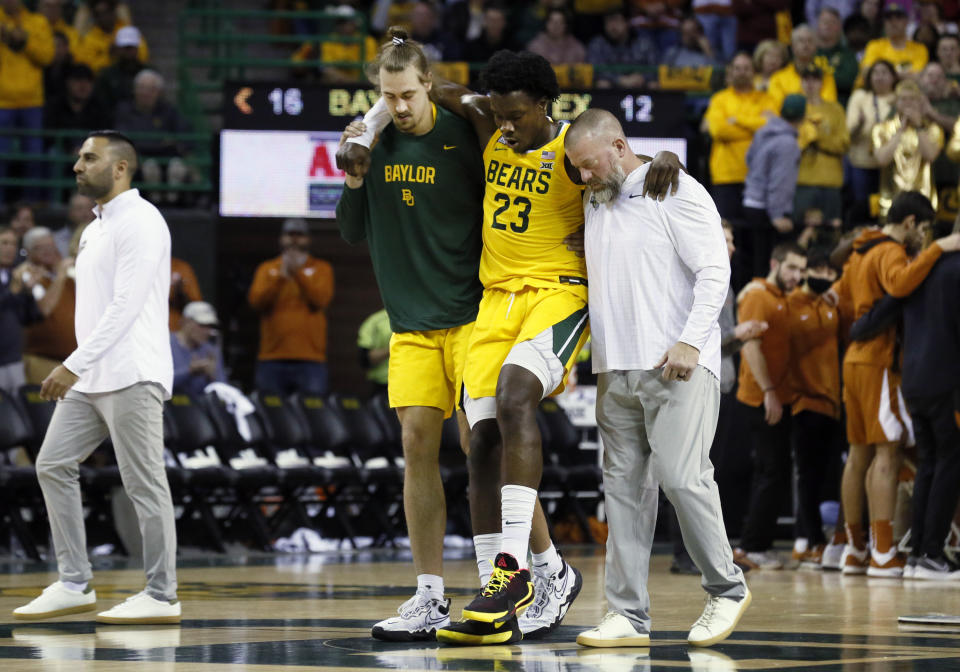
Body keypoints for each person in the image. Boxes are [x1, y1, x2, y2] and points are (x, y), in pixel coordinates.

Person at [340, 48, 680, 644]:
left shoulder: (569, 148)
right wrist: (368, 127)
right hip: (496, 301)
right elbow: (423, 86)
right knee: (481, 444)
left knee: (516, 396)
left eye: (517, 115)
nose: (505, 125)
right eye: (498, 114)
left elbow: (626, 159)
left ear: (544, 106)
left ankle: (513, 570)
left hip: (556, 294)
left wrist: (666, 158)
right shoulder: (484, 119)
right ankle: (495, 591)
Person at [565, 108, 751, 649]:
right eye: (575, 169)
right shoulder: (596, 199)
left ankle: (727, 588)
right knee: (622, 492)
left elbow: (716, 268)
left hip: (677, 365)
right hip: (614, 368)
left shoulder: (676, 188)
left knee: (682, 477)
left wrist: (693, 339)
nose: (582, 177)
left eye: (588, 165)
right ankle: (627, 615)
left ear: (619, 145)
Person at [12, 130, 180, 624]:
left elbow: (126, 307)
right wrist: (81, 367)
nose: (77, 166)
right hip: (92, 376)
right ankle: (74, 582)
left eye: (89, 158)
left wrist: (72, 363)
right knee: (52, 464)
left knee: (144, 483)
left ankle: (162, 594)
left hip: (132, 372)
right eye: (79, 157)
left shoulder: (143, 221)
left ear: (121, 167)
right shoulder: (94, 228)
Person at [830, 191, 960, 577]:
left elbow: (850, 302)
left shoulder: (860, 251)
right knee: (887, 454)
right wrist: (938, 249)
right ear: (909, 224)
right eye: (922, 230)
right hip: (878, 361)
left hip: (856, 356)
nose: (923, 239)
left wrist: (859, 326)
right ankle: (884, 552)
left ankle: (855, 548)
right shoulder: (892, 252)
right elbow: (902, 286)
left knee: (860, 456)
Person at [733, 242, 807, 571]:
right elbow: (750, 348)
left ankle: (758, 545)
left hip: (780, 395)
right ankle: (750, 547)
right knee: (769, 471)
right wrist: (768, 391)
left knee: (774, 472)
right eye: (791, 268)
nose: (797, 276)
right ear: (775, 263)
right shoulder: (757, 295)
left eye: (801, 270)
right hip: (759, 398)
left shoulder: (784, 299)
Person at [785, 247, 844, 568]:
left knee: (825, 478)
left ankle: (815, 540)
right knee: (806, 477)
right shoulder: (792, 304)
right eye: (817, 271)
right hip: (803, 402)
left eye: (829, 273)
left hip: (833, 404)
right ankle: (808, 540)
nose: (823, 278)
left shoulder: (832, 306)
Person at [248, 217, 333, 397]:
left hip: (310, 358)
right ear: (281, 239)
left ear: (308, 239)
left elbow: (321, 301)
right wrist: (280, 278)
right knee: (272, 415)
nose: (294, 239)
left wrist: (297, 274)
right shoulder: (267, 268)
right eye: (289, 234)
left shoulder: (321, 268)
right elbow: (256, 302)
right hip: (272, 357)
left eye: (299, 235)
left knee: (312, 415)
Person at [704, 53, 776, 234]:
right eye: (737, 68)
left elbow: (771, 127)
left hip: (758, 176)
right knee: (725, 233)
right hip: (725, 176)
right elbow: (718, 131)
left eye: (746, 68)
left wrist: (736, 120)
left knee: (756, 235)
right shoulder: (719, 99)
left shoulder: (767, 99)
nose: (742, 72)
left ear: (754, 72)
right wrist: (754, 125)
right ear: (730, 71)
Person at [740, 94, 805, 288]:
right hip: (766, 210)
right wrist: (777, 214)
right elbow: (780, 182)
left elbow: (748, 159)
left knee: (751, 265)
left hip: (750, 202)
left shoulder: (763, 131)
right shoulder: (788, 143)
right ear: (803, 118)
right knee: (765, 269)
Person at [0, 0, 54, 207]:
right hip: (2, 101)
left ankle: (31, 203)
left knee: (33, 156)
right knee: (1, 156)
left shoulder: (37, 22)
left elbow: (46, 57)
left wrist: (23, 42)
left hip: (32, 101)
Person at [114, 69, 192, 203]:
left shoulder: (169, 111)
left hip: (166, 159)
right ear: (135, 90)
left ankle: (173, 202)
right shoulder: (124, 111)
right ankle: (153, 201)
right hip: (138, 160)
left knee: (178, 166)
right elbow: (121, 138)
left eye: (151, 89)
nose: (146, 93)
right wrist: (159, 142)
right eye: (142, 88)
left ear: (159, 92)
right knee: (149, 167)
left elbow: (185, 136)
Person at [872, 79, 944, 217]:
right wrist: (900, 131)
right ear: (896, 102)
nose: (908, 103)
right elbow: (882, 159)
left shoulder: (932, 129)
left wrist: (918, 126)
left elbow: (930, 155)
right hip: (890, 203)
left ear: (920, 102)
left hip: (924, 201)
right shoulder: (882, 129)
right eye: (903, 99)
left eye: (913, 99)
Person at [15, 226, 76, 384]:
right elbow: (43, 309)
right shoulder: (25, 275)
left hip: (72, 363)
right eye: (40, 247)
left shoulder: (69, 276)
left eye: (50, 245)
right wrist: (61, 276)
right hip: (42, 360)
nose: (48, 251)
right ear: (28, 251)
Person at [795, 66, 850, 231]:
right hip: (802, 180)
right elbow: (791, 143)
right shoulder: (795, 107)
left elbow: (844, 144)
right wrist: (806, 137)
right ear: (801, 81)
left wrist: (819, 138)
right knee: (801, 232)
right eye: (806, 79)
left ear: (822, 83)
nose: (810, 83)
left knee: (831, 232)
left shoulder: (835, 109)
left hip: (830, 181)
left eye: (815, 79)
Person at [845, 59, 898, 218]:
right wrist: (859, 124)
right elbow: (848, 133)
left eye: (884, 73)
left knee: (888, 208)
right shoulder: (860, 96)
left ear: (893, 77)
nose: (879, 77)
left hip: (890, 164)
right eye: (875, 73)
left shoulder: (899, 98)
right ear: (869, 78)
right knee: (863, 208)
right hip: (862, 162)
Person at [0, 225, 42, 395]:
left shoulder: (14, 276)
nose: (10, 248)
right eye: (4, 243)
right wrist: (14, 291)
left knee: (16, 417)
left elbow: (31, 318)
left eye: (13, 244)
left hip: (14, 360)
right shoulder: (13, 282)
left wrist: (29, 292)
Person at [768, 24, 840, 108]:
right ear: (793, 47)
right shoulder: (778, 78)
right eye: (801, 41)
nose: (806, 45)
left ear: (816, 47)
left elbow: (828, 107)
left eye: (810, 41)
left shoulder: (826, 77)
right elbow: (777, 108)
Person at [586, 9, 657, 90]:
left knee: (653, 84)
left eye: (616, 21)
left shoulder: (644, 43)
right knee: (602, 83)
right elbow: (594, 70)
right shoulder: (597, 43)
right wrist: (620, 80)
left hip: (639, 85)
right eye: (608, 22)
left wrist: (642, 77)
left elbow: (655, 69)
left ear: (627, 22)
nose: (612, 26)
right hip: (613, 86)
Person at [74, 0, 148, 73]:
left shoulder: (127, 30)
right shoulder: (89, 40)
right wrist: (109, 56)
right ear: (95, 17)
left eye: (108, 12)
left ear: (114, 12)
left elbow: (143, 55)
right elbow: (88, 67)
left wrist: (124, 54)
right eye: (99, 14)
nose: (104, 17)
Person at [170, 300, 224, 396]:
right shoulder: (167, 344)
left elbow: (224, 389)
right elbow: (158, 382)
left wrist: (211, 376)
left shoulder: (211, 350)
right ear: (185, 322)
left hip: (200, 408)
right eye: (202, 325)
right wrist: (189, 372)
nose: (207, 331)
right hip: (169, 407)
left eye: (210, 326)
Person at [861, 2, 929, 76]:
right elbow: (867, 72)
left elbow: (918, 76)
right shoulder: (874, 45)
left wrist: (884, 74)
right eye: (888, 18)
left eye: (898, 17)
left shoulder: (919, 48)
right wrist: (903, 74)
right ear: (884, 23)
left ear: (906, 21)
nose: (893, 22)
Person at [92, 25, 146, 111]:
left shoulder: (148, 74)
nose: (128, 51)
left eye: (131, 47)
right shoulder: (106, 75)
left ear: (137, 48)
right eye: (125, 47)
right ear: (117, 48)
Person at [816, 7, 861, 103]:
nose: (827, 25)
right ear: (817, 25)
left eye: (832, 22)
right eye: (824, 21)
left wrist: (817, 76)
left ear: (839, 27)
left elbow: (848, 81)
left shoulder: (848, 54)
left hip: (840, 105)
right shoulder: (809, 52)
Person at [357, 308, 390, 398]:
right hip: (383, 383)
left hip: (415, 382)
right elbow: (365, 358)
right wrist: (393, 348)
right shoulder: (376, 321)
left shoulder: (420, 318)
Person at [53, 193, 94, 259]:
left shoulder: (103, 237)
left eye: (89, 208)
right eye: (79, 209)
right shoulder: (56, 239)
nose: (85, 213)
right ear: (70, 212)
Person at [169, 257, 202, 332]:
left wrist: (179, 290)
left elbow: (195, 303)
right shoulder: (145, 264)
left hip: (176, 325)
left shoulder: (181, 268)